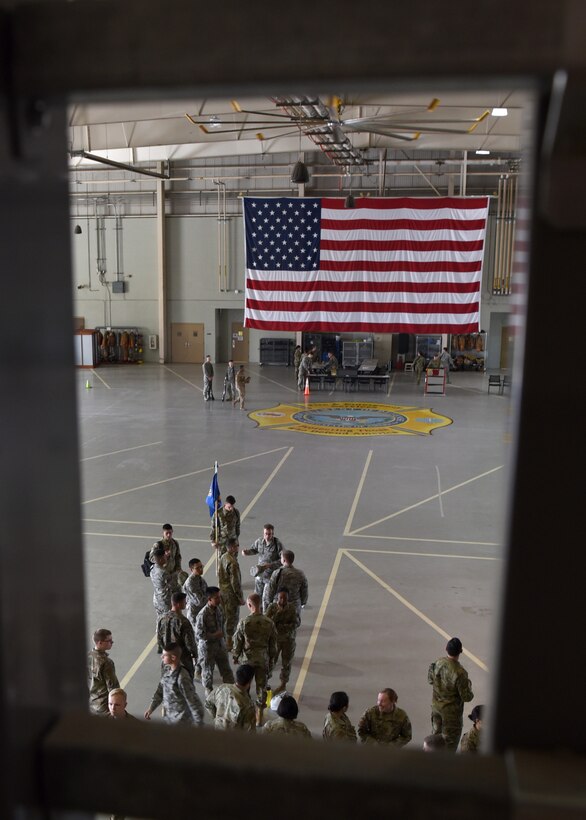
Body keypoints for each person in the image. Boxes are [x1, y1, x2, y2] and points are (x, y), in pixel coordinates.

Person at [232, 592, 277, 725]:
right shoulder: (269, 623)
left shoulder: (244, 623)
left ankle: (244, 711)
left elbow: (237, 642)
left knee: (244, 686)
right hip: (263, 660)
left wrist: (235, 656)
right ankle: (259, 716)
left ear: (250, 605)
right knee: (261, 687)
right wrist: (271, 660)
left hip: (247, 660)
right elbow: (273, 646)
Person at [428, 636, 474, 751]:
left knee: (435, 740)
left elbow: (430, 680)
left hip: (436, 708)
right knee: (450, 744)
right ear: (460, 652)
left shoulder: (437, 663)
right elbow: (467, 697)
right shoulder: (460, 672)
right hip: (451, 715)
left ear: (446, 648)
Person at [144, 643, 204, 726]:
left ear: (173, 658)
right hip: (169, 718)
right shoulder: (166, 669)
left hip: (181, 722)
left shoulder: (182, 678)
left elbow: (192, 701)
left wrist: (198, 725)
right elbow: (160, 690)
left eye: (164, 655)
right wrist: (151, 708)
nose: (162, 657)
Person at [194, 586, 234, 696]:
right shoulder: (203, 615)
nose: (219, 599)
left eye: (219, 597)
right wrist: (214, 635)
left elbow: (222, 626)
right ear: (209, 599)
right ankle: (210, 696)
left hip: (220, 646)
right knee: (208, 673)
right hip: (208, 649)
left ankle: (232, 692)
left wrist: (223, 640)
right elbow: (199, 634)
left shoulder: (218, 609)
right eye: (216, 598)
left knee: (226, 670)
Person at [265, 588, 299, 696]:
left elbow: (296, 624)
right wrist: (278, 614)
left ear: (288, 597)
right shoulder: (272, 607)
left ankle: (283, 684)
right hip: (275, 641)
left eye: (285, 597)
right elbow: (268, 623)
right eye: (280, 597)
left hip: (288, 641)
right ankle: (265, 682)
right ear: (277, 597)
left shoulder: (292, 608)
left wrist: (279, 626)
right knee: (271, 661)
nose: (283, 599)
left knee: (286, 663)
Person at [156, 591, 198, 678]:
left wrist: (162, 650)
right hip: (181, 658)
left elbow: (159, 637)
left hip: (167, 657)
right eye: (184, 601)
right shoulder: (183, 621)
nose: (186, 603)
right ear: (178, 604)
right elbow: (189, 642)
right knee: (186, 681)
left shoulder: (162, 618)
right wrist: (194, 654)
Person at [204, 663, 257, 732]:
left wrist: (216, 718)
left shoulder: (221, 688)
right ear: (250, 681)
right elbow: (250, 732)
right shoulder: (248, 705)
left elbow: (208, 704)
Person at [241, 523, 284, 600]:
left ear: (273, 534)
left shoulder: (277, 544)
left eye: (269, 534)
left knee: (267, 598)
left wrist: (270, 565)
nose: (267, 536)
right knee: (257, 596)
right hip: (259, 574)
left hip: (270, 577)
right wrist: (246, 552)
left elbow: (282, 560)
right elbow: (254, 550)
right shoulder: (259, 541)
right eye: (265, 534)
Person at [218, 536, 245, 651]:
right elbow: (236, 583)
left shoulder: (223, 557)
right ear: (233, 547)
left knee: (224, 616)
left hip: (222, 592)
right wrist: (240, 597)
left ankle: (224, 639)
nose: (238, 547)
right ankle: (229, 643)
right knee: (232, 618)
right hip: (231, 595)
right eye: (237, 545)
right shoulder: (233, 563)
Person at [262, 549, 308, 617]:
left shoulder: (277, 573)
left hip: (279, 605)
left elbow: (270, 591)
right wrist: (303, 602)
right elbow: (304, 590)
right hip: (294, 606)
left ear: (283, 560)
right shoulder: (300, 574)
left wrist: (268, 606)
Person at [88, 628, 120, 715]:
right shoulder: (106, 662)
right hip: (104, 706)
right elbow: (113, 687)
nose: (112, 642)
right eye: (109, 640)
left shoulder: (87, 656)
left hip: (90, 703)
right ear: (100, 642)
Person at [149, 523, 184, 591]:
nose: (168, 535)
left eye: (170, 533)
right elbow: (151, 558)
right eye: (166, 533)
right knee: (166, 594)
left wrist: (179, 568)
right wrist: (163, 556)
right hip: (164, 575)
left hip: (174, 574)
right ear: (163, 533)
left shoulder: (175, 543)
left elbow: (178, 557)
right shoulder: (158, 545)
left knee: (177, 592)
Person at [150, 546, 173, 626]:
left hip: (156, 598)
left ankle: (158, 632)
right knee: (167, 621)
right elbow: (171, 584)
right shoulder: (164, 572)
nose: (166, 558)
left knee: (159, 618)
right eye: (164, 557)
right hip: (165, 600)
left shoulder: (153, 568)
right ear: (160, 559)